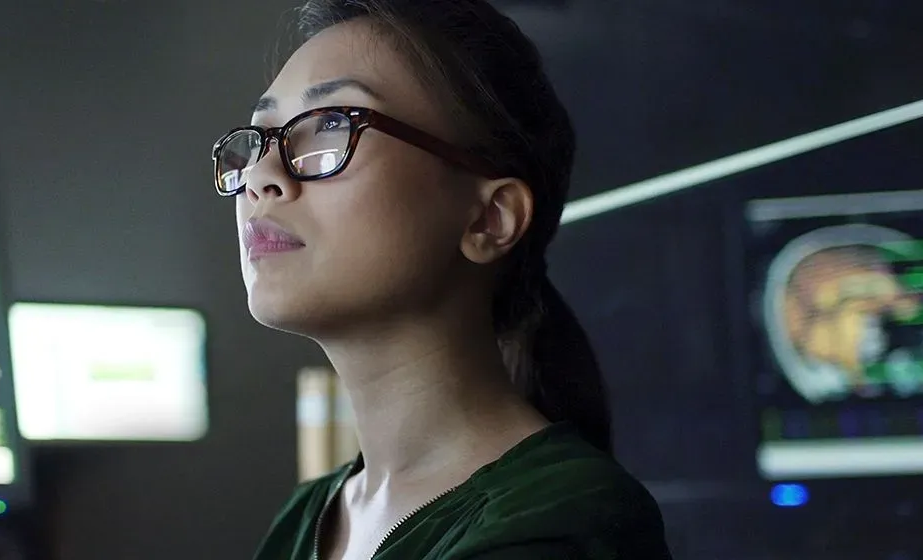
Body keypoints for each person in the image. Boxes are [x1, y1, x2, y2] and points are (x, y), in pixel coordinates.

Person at [209, 0, 672, 558]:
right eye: (259, 138)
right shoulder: (305, 517)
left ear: (488, 218)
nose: (260, 176)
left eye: (330, 124)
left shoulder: (561, 521)